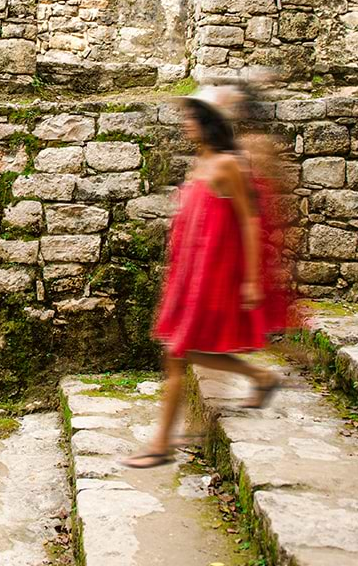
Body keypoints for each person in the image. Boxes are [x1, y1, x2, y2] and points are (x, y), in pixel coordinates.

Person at [122, 85, 289, 469]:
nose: (185, 124)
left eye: (191, 117)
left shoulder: (230, 165)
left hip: (212, 274)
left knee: (177, 353)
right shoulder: (202, 162)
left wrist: (249, 279)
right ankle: (260, 376)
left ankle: (160, 443)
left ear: (208, 123)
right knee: (185, 350)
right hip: (189, 272)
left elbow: (249, 219)